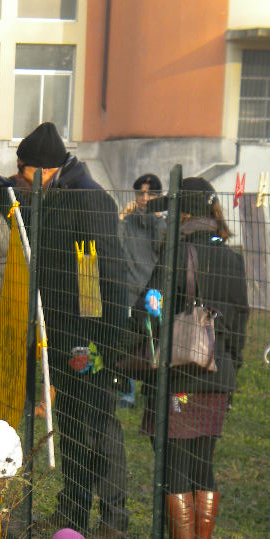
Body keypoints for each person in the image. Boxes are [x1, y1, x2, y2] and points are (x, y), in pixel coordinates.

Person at [0, 122, 131, 539]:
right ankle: (73, 512)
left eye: (23, 172)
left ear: (47, 170)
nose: (21, 178)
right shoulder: (56, 195)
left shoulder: (88, 202)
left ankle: (115, 519)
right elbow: (36, 238)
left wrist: (96, 341)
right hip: (63, 334)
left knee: (99, 426)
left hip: (93, 338)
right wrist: (7, 197)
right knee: (70, 425)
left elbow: (99, 274)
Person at [133, 177, 249, 539]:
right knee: (204, 465)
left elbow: (146, 313)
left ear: (181, 214)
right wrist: (229, 367)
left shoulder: (174, 254)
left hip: (180, 379)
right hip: (221, 378)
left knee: (175, 469)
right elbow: (241, 322)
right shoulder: (234, 259)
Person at [117, 173, 167, 408]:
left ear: (159, 196)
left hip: (154, 295)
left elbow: (162, 249)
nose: (144, 198)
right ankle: (127, 392)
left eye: (150, 194)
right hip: (129, 292)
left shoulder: (164, 224)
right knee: (126, 343)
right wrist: (121, 217)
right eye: (140, 193)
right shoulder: (128, 222)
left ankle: (152, 391)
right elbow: (116, 247)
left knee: (155, 343)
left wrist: (158, 220)